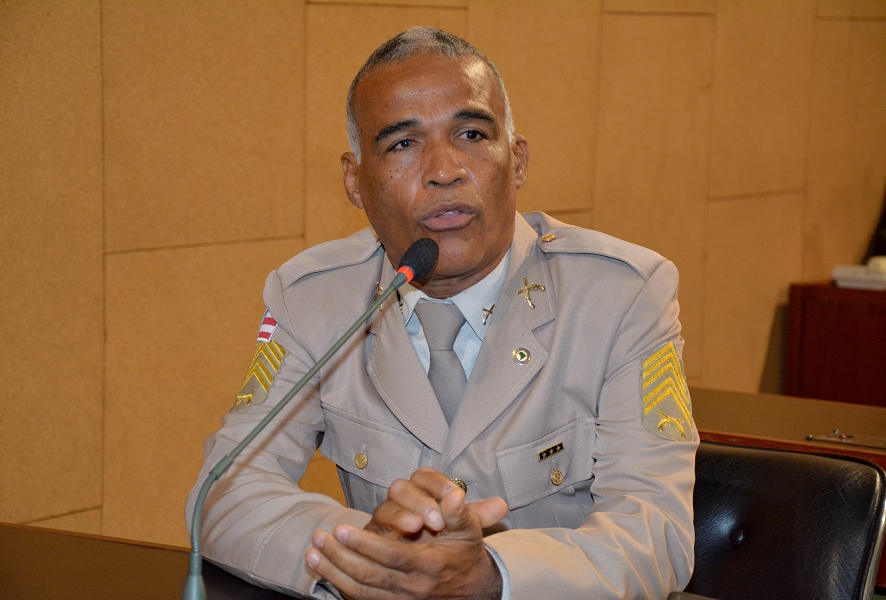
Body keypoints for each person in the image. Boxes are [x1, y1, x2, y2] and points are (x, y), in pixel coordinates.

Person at [186, 26, 697, 600]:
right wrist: (372, 555)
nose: (444, 169)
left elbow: (656, 531)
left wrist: (492, 577)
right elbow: (223, 490)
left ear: (517, 161)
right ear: (355, 180)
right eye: (402, 144)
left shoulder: (621, 295)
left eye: (472, 134)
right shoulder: (314, 298)